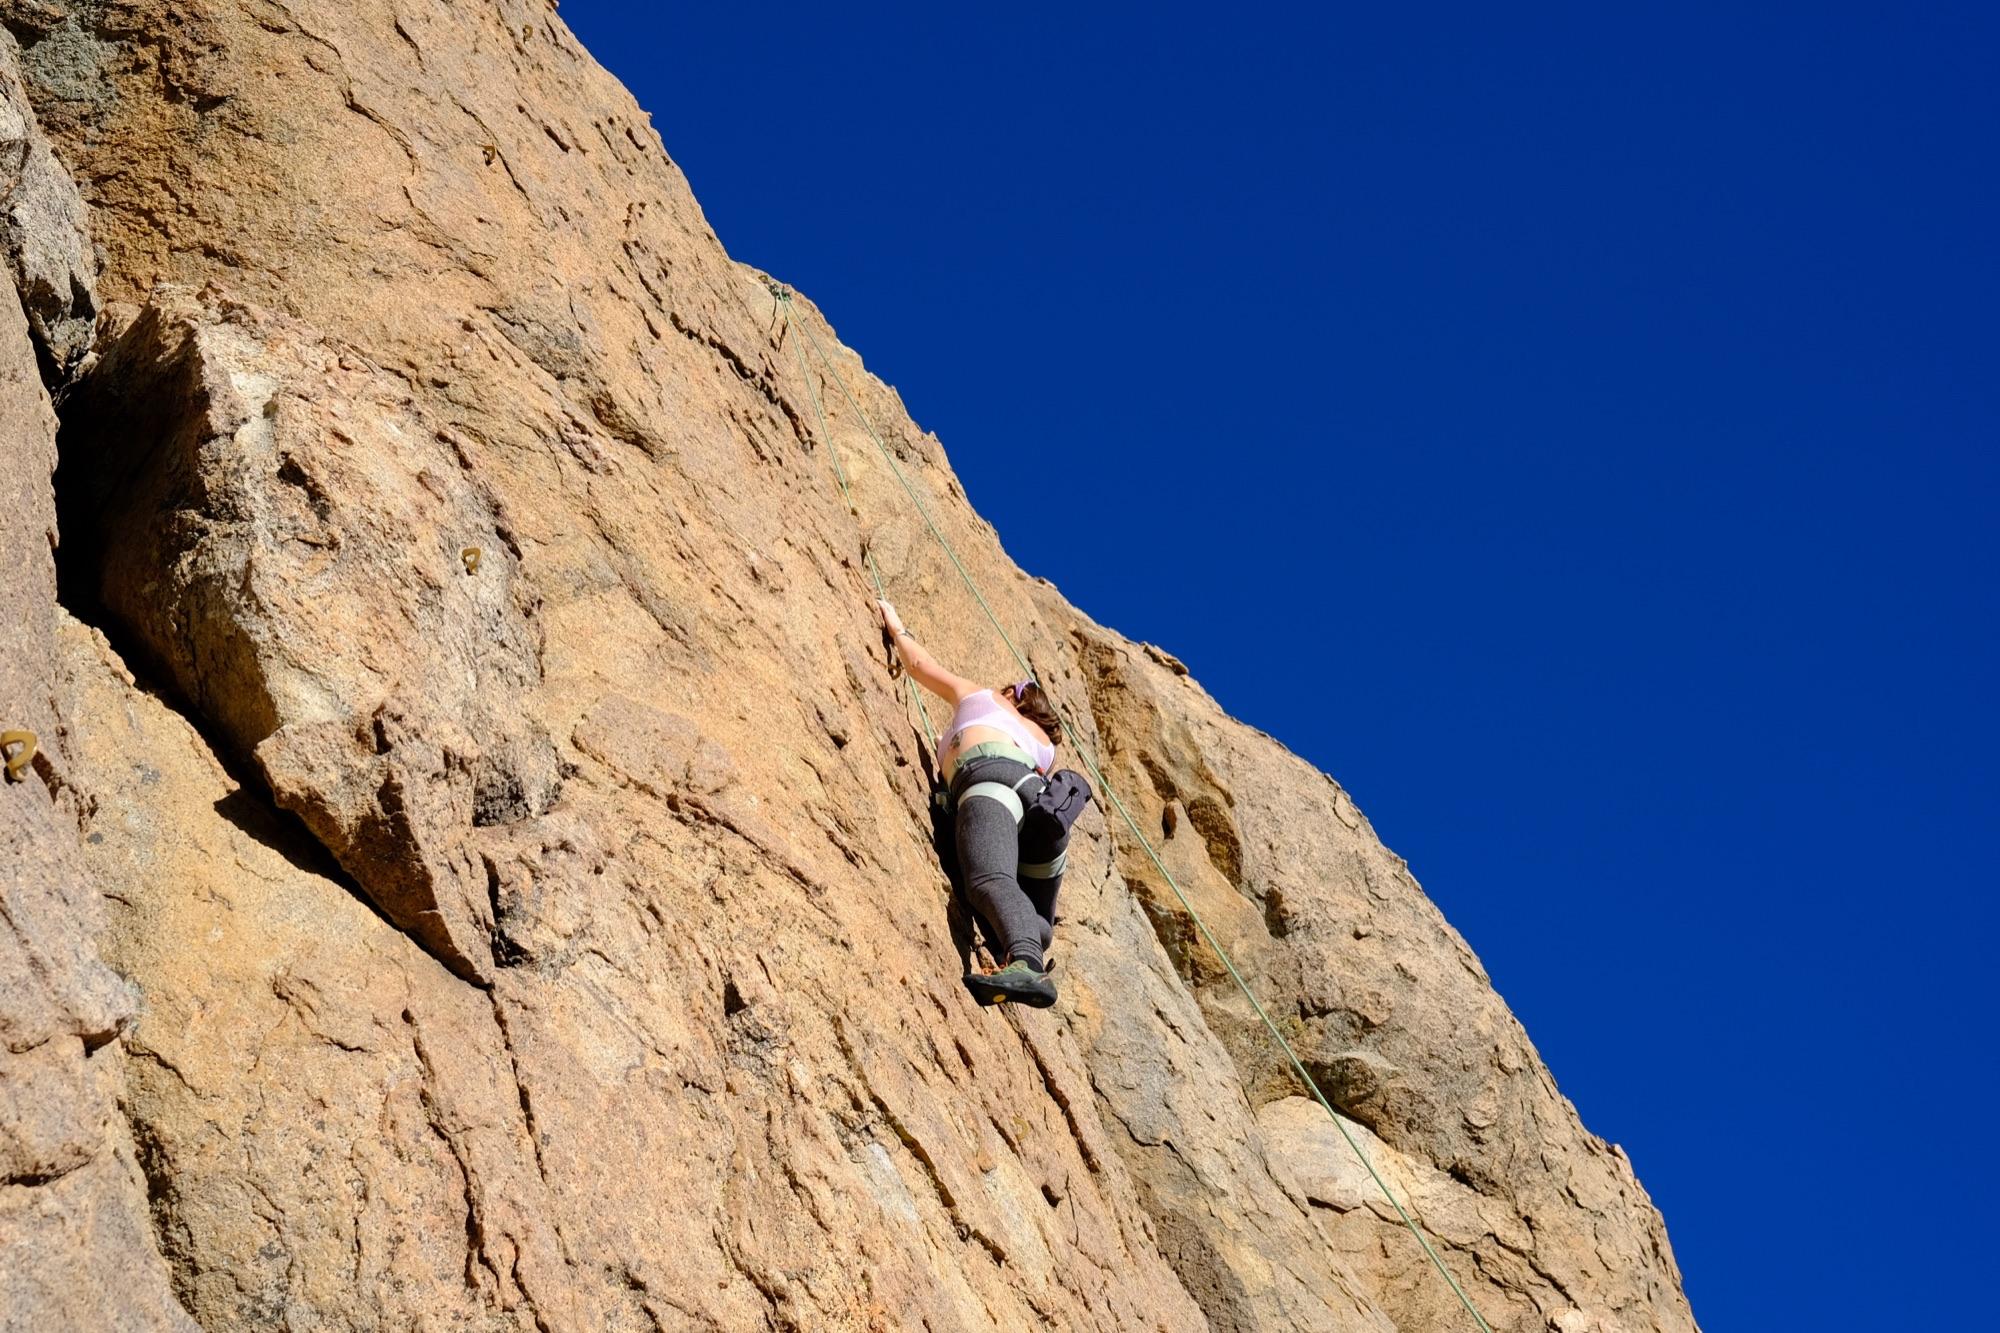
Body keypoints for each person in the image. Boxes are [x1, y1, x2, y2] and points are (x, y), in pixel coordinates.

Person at [875, 598, 1067, 1007]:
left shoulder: (982, 697)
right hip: (1043, 809)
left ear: (1011, 695)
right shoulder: (1045, 745)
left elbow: (919, 665)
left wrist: (894, 622)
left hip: (990, 782)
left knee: (988, 880)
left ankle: (1028, 963)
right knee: (1016, 892)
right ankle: (1035, 928)